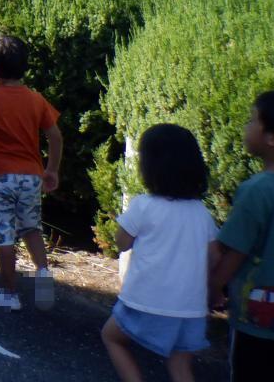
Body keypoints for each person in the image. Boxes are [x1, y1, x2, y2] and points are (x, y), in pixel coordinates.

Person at [101, 123, 216, 382]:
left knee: (112, 338)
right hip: (190, 309)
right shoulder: (202, 214)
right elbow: (214, 256)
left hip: (145, 302)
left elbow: (122, 243)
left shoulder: (143, 206)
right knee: (180, 365)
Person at [0, 33, 63, 312]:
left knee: (2, 234)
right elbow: (55, 136)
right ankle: (43, 272)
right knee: (30, 227)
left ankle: (8, 292)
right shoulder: (36, 100)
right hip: (31, 176)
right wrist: (51, 169)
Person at [211, 91, 274, 381]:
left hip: (257, 321)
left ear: (271, 137)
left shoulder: (257, 190)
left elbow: (233, 252)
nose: (246, 127)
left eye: (252, 120)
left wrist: (213, 288)